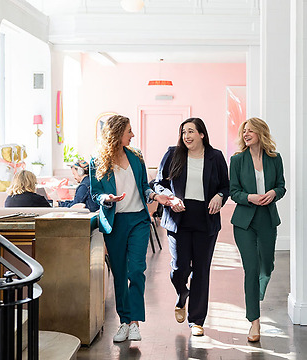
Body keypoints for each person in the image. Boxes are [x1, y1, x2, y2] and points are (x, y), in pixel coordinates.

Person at [90, 115, 172, 343]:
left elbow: (144, 187)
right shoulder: (97, 161)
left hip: (138, 220)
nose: (133, 135)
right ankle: (124, 321)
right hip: (115, 222)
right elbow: (95, 193)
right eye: (129, 131)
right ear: (117, 133)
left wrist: (156, 196)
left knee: (136, 270)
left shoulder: (136, 156)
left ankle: (135, 322)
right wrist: (107, 198)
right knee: (119, 273)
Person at [154, 117, 229, 336]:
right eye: (184, 132)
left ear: (202, 134)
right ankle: (181, 294)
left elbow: (226, 185)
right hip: (179, 219)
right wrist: (170, 198)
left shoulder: (215, 157)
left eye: (191, 132)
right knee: (180, 268)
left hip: (206, 220)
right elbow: (158, 183)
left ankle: (196, 320)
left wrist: (220, 195)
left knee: (201, 270)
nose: (186, 136)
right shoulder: (173, 154)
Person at [229, 117, 286, 342]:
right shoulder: (237, 160)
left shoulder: (275, 158)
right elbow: (234, 192)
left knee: (267, 266)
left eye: (250, 131)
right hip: (244, 221)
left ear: (261, 133)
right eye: (244, 131)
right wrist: (249, 197)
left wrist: (273, 193)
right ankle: (254, 322)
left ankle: (259, 286)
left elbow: (281, 186)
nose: (246, 134)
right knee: (251, 269)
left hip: (267, 219)